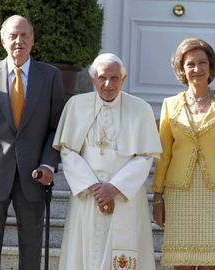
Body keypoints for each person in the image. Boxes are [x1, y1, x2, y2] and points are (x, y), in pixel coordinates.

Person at [0, 14, 65, 269]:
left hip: (33, 174)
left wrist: (49, 166)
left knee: (31, 242)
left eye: (24, 35)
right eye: (13, 36)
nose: (19, 40)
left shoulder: (50, 76)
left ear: (33, 39)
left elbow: (57, 128)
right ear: (2, 40)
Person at [53, 53, 162, 270]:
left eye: (114, 78)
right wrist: (96, 188)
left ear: (124, 79)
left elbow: (145, 155)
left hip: (124, 197)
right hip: (88, 196)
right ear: (93, 79)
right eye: (102, 77)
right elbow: (68, 150)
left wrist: (114, 188)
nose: (108, 84)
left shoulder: (141, 109)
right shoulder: (76, 105)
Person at [152, 38, 215, 269]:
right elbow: (164, 153)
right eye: (190, 64)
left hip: (213, 193)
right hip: (180, 192)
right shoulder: (170, 105)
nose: (197, 69)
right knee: (182, 263)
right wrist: (157, 196)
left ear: (211, 67)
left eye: (202, 63)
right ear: (181, 69)